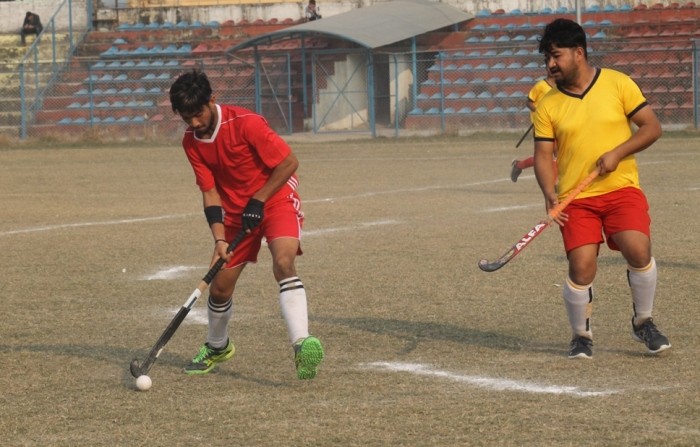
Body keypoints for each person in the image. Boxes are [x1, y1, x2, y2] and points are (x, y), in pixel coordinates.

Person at [169, 69, 324, 379]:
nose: (195, 123)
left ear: (212, 100)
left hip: (275, 199)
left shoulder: (246, 123)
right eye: (187, 118)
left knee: (283, 262)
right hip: (237, 214)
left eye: (198, 113)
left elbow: (289, 162)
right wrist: (219, 239)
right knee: (220, 288)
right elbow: (210, 191)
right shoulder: (192, 142)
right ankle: (217, 346)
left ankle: (301, 344)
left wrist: (260, 199)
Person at [532, 18, 670, 359]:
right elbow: (543, 155)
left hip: (621, 188)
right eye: (547, 58)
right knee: (581, 266)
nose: (550, 65)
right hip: (577, 198)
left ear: (578, 53)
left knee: (638, 248)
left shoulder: (617, 83)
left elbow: (651, 127)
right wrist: (550, 193)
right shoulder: (548, 104)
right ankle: (581, 336)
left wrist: (618, 152)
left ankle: (644, 322)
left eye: (555, 55)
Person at [510, 67, 556, 182]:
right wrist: (539, 111)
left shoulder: (561, 86)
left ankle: (519, 165)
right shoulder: (540, 86)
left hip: (556, 123)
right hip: (541, 124)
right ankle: (519, 165)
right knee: (546, 156)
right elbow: (528, 102)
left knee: (558, 155)